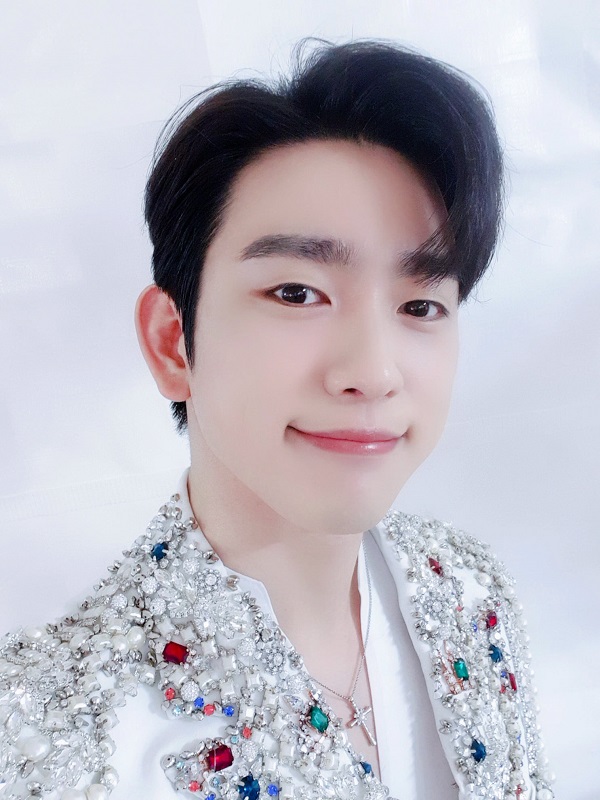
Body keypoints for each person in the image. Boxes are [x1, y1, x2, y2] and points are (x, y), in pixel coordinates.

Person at [0, 37, 554, 800]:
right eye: (297, 293)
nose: (372, 372)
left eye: (421, 305)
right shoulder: (51, 727)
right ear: (172, 341)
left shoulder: (468, 593)